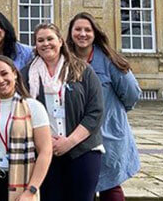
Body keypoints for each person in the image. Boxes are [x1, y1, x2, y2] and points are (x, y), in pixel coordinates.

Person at [21, 23, 103, 201]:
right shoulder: (27, 75)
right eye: (40, 40)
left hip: (83, 150)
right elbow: (21, 111)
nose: (46, 44)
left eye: (50, 39)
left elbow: (95, 111)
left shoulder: (82, 70)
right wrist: (45, 142)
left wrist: (70, 141)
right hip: (44, 152)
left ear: (60, 41)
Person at [67, 12, 141, 201]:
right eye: (78, 29)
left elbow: (132, 93)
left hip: (108, 134)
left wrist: (112, 114)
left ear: (95, 33)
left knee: (110, 186)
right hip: (77, 135)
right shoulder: (65, 61)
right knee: (83, 187)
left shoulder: (109, 60)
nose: (82, 34)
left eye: (87, 30)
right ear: (71, 33)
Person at [0, 56, 52, 200]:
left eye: (4, 73)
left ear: (14, 73)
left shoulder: (34, 107)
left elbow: (45, 151)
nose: (0, 80)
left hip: (23, 184)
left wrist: (31, 190)